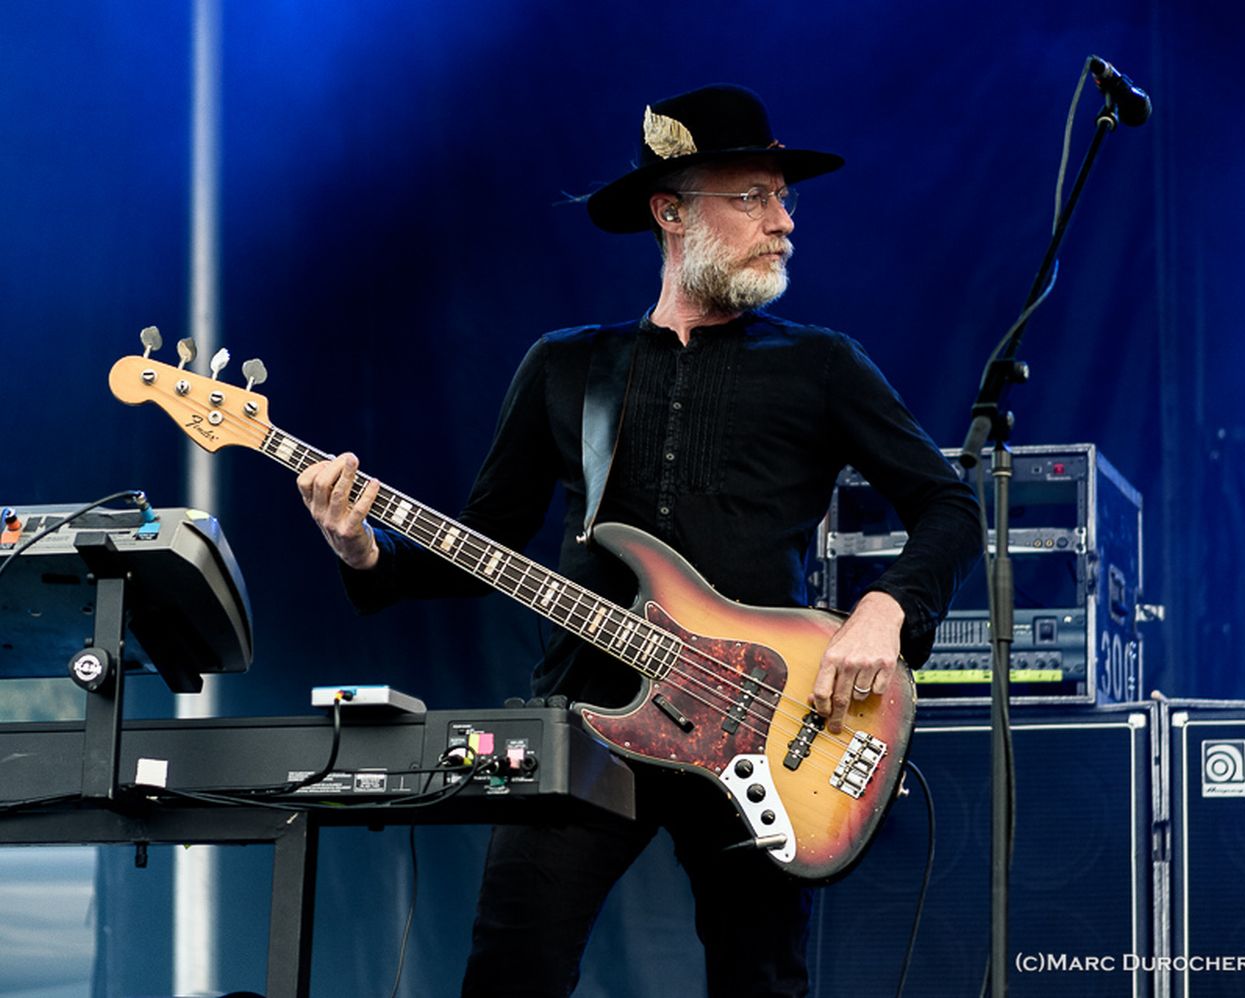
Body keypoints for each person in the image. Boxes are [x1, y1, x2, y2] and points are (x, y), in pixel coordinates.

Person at [296, 83, 982, 998]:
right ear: (671, 212)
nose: (782, 222)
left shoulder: (821, 365)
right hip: (588, 718)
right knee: (510, 973)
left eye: (784, 199)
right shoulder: (567, 366)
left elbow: (949, 506)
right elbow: (488, 542)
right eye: (752, 197)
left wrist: (885, 611)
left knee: (760, 984)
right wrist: (366, 554)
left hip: (766, 723)